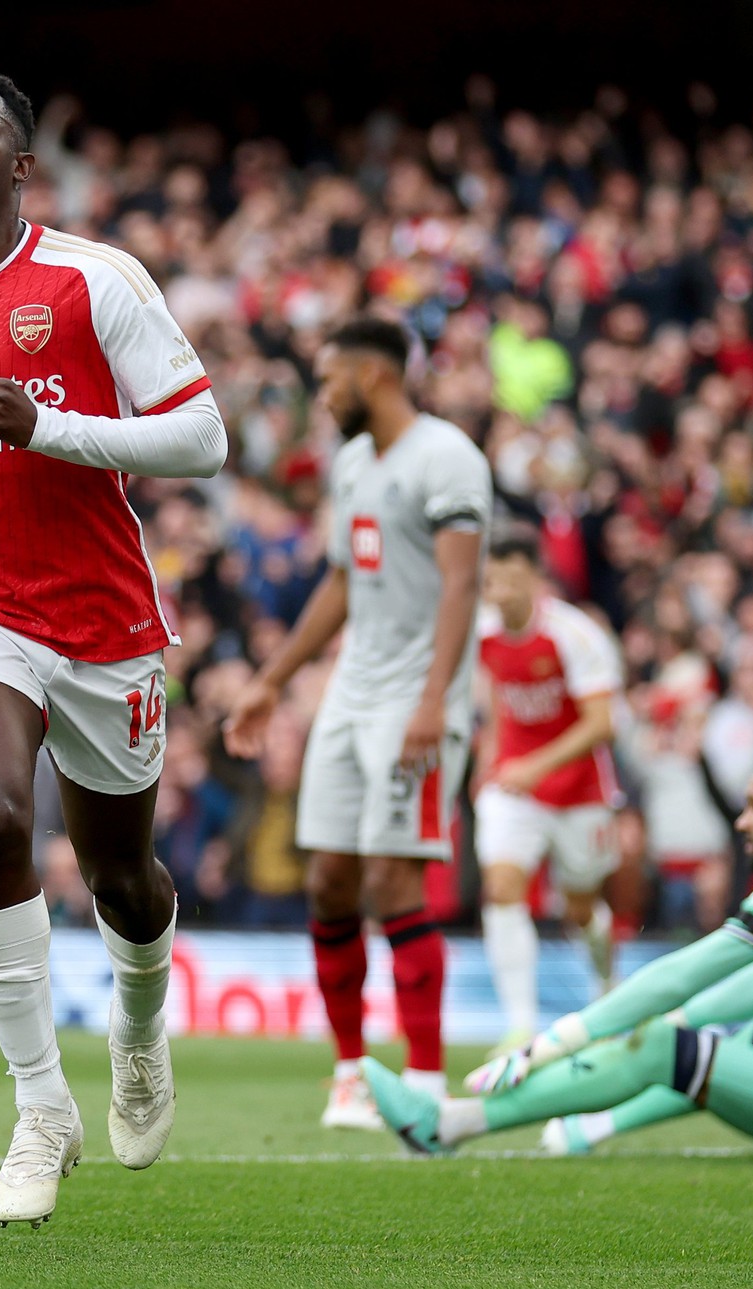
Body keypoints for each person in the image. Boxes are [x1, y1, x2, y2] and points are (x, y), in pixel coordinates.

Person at [0, 65, 227, 1225]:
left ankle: (135, 1017)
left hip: (101, 617)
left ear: (20, 163)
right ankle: (38, 1107)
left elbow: (204, 437)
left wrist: (52, 426)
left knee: (122, 876)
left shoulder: (92, 279)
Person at [366, 750, 753, 1168]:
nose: (743, 821)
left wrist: (554, 1041)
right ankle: (588, 1126)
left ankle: (448, 1125)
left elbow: (687, 971)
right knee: (745, 1034)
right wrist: (679, 1024)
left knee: (661, 1047)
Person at [223, 319, 490, 1129]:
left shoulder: (447, 458)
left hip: (417, 694)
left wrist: (436, 697)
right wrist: (273, 681)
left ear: (374, 375)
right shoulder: (352, 462)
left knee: (391, 880)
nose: (324, 394)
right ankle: (349, 1074)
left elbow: (461, 585)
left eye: (331, 378)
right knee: (330, 877)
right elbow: (343, 581)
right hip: (351, 690)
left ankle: (431, 1078)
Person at [474, 529, 622, 1048]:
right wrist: (493, 752)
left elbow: (602, 724)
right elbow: (496, 688)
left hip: (579, 790)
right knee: (501, 886)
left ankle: (606, 988)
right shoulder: (481, 631)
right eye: (493, 579)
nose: (502, 591)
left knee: (580, 908)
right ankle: (519, 1026)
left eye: (513, 579)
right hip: (514, 786)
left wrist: (535, 766)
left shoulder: (574, 636)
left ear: (536, 578)